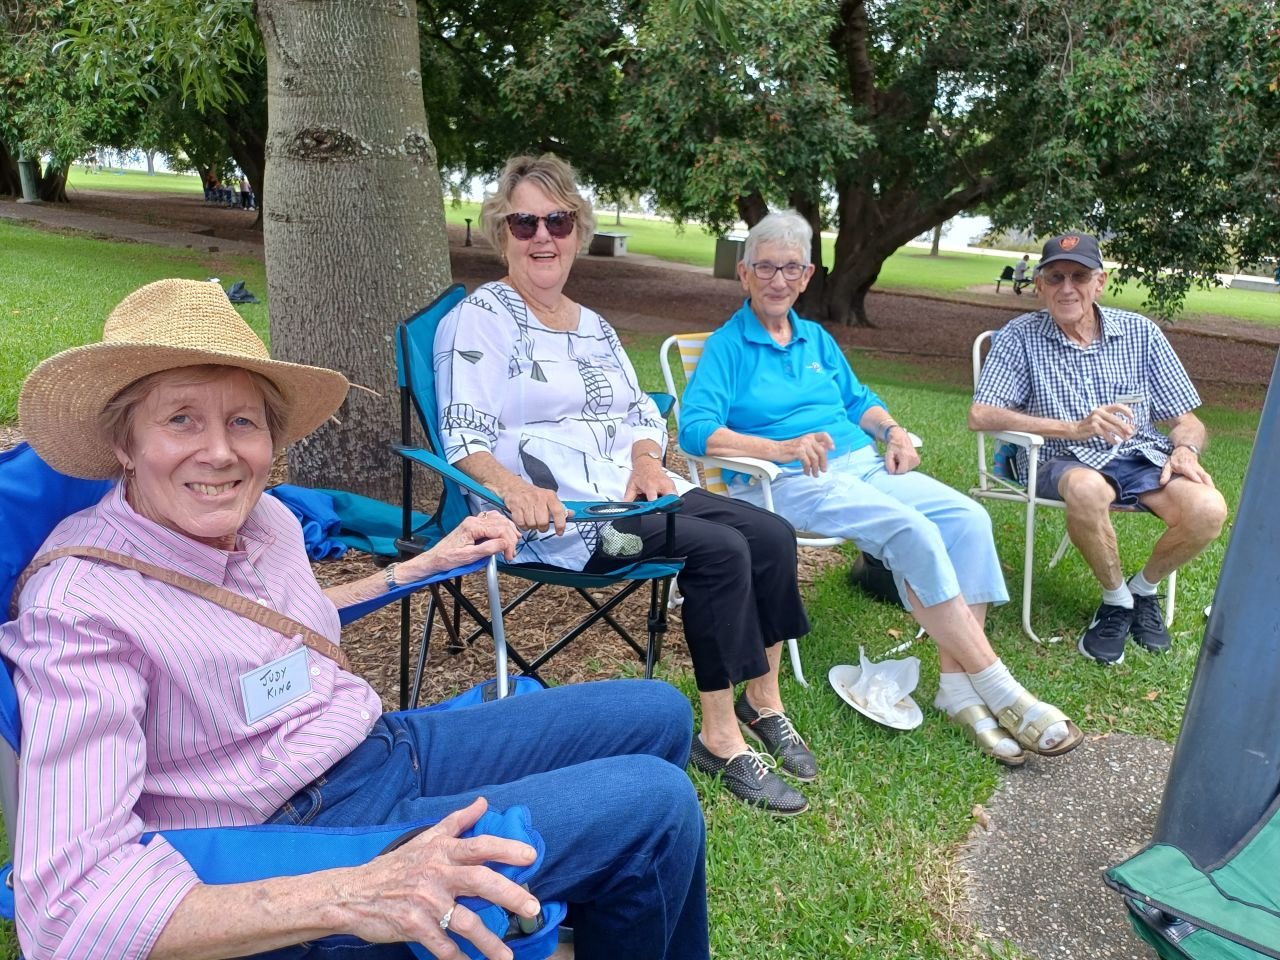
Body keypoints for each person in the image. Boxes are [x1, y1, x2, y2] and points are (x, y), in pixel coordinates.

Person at [2, 279, 708, 960]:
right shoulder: (80, 607)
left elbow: (276, 629)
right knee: (655, 807)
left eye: (242, 421)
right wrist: (354, 891)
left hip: (374, 746)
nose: (219, 452)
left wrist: (419, 567)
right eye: (181, 418)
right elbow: (67, 910)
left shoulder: (264, 518)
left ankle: (568, 912)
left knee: (658, 714)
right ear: (124, 442)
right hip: (297, 834)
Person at [435, 155, 816, 816]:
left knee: (773, 535)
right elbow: (462, 432)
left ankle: (764, 702)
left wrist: (647, 459)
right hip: (572, 521)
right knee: (722, 552)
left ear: (577, 231)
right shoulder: (480, 319)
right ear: (503, 234)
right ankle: (720, 738)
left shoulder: (593, 325)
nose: (542, 236)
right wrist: (512, 490)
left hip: (636, 487)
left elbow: (641, 410)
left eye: (556, 220)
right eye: (525, 223)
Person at [678, 209, 1082, 768]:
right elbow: (695, 430)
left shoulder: (815, 338)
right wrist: (780, 448)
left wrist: (891, 431)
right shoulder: (729, 347)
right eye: (764, 267)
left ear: (807, 275)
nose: (776, 280)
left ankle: (956, 688)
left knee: (968, 519)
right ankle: (1001, 689)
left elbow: (858, 399)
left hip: (861, 467)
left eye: (789, 268)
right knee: (909, 530)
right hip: (790, 483)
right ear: (744, 274)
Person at [970, 232, 1228, 665]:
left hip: (1139, 456)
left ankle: (1141, 590)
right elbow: (982, 414)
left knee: (1209, 508)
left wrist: (1186, 450)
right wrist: (1072, 428)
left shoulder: (1140, 333)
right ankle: (1114, 604)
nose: (1067, 288)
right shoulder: (1019, 337)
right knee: (1090, 489)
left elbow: (1187, 419)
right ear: (1039, 285)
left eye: (1079, 276)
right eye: (1055, 277)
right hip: (1057, 457)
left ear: (1100, 282)